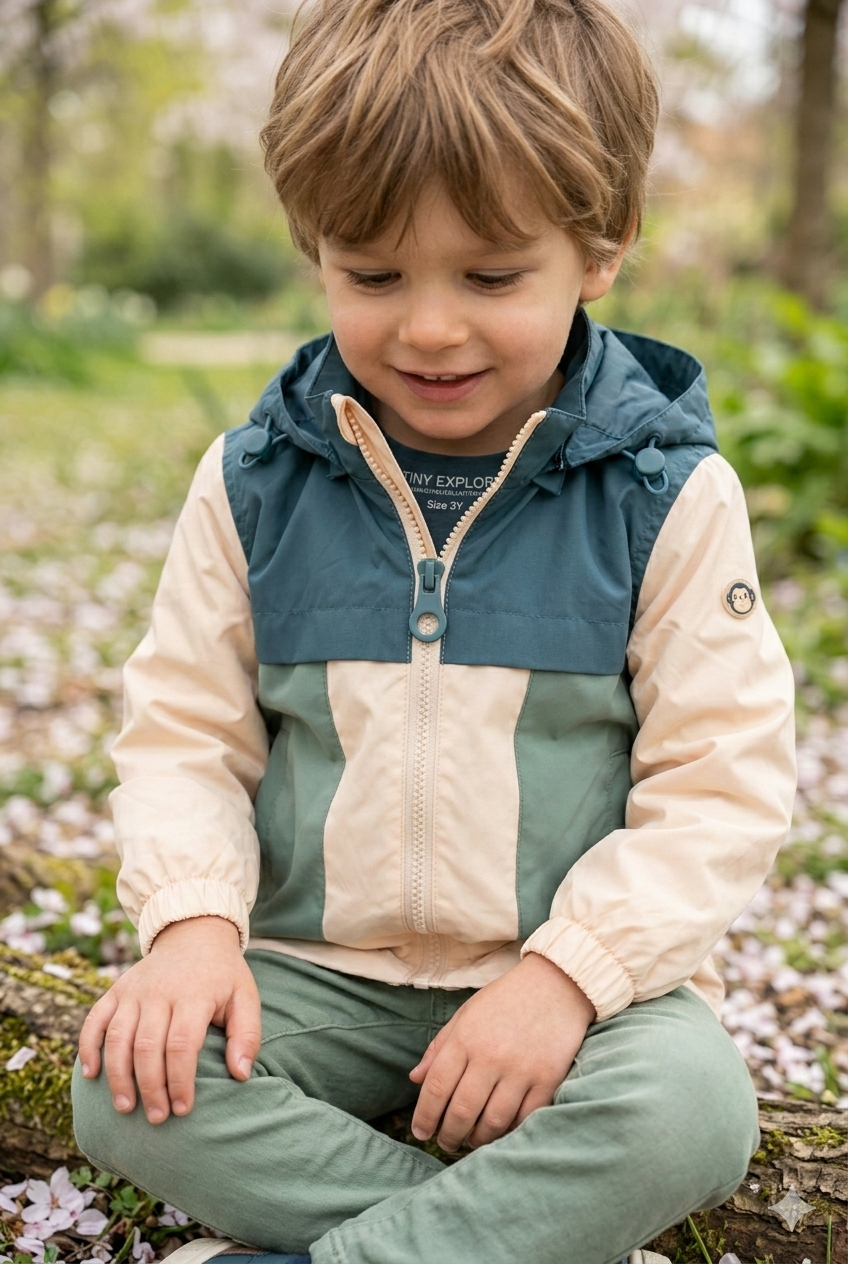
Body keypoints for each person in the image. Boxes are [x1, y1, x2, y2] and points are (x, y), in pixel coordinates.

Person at [71, 1, 797, 1262]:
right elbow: (185, 732)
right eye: (372, 273)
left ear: (603, 244)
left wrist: (566, 976)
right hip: (321, 974)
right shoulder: (253, 485)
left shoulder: (665, 497)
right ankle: (507, 1237)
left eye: (491, 275)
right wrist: (191, 926)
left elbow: (718, 788)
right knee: (128, 1079)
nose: (428, 328)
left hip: (576, 992)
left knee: (688, 1113)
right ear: (313, 249)